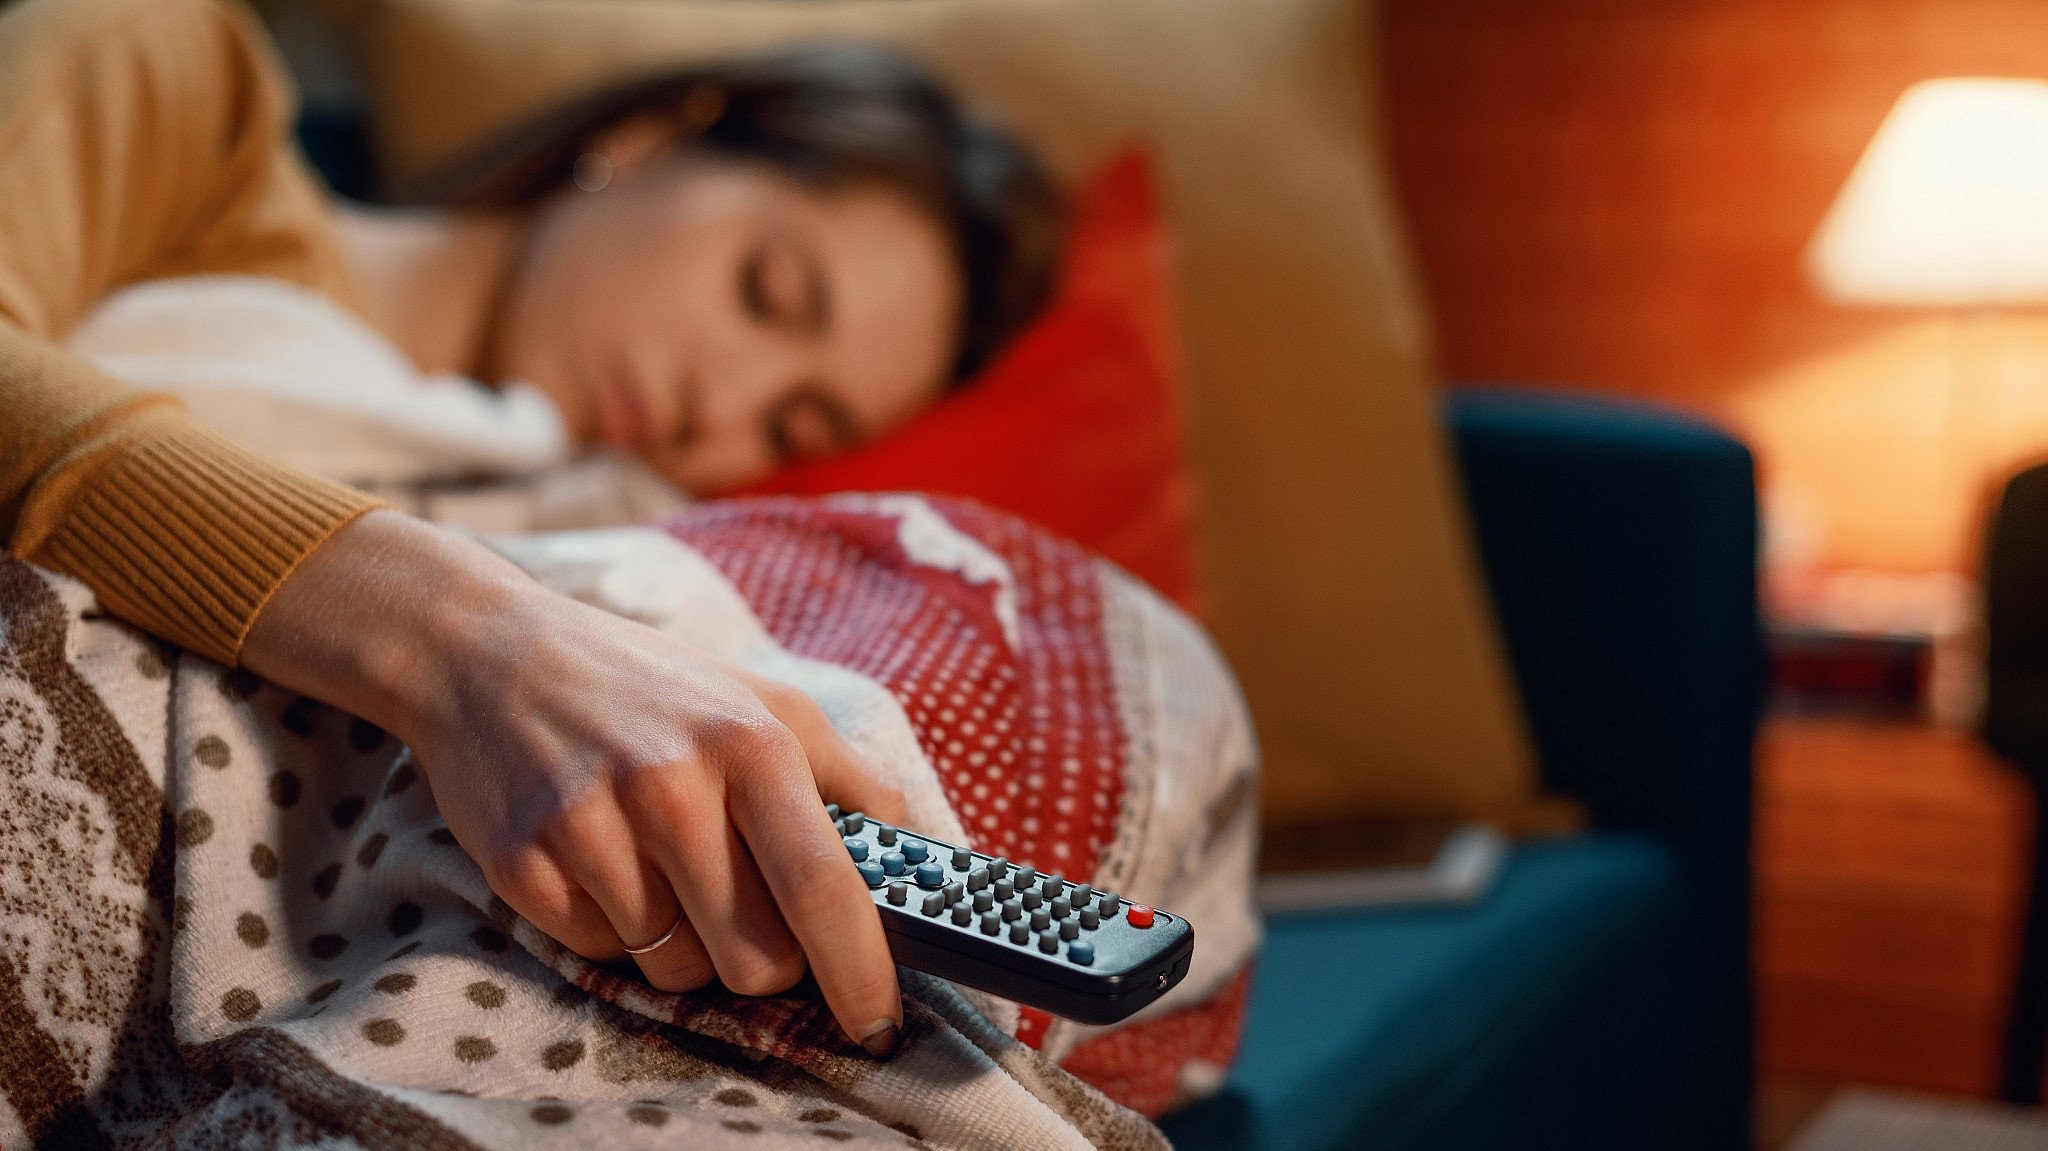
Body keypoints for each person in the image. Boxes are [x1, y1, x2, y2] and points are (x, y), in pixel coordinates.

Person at [0, 0, 1060, 1058]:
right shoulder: (180, 83)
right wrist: (458, 635)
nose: (719, 407)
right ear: (653, 137)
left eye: (792, 424)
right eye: (764, 292)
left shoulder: (610, 540)